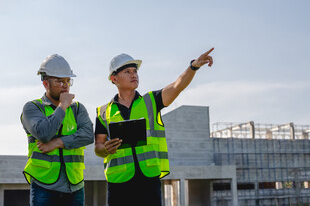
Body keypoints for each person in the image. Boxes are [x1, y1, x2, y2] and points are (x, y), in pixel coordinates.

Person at [94, 48, 214, 206]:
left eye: (135, 71)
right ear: (114, 79)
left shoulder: (151, 101)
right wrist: (105, 149)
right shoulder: (103, 112)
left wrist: (193, 67)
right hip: (119, 184)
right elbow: (98, 146)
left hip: (148, 181)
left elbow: (177, 86)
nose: (134, 75)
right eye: (127, 72)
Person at [21, 54, 94, 206]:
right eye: (60, 81)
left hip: (75, 186)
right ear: (46, 83)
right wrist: (63, 106)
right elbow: (44, 134)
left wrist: (58, 142)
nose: (65, 85)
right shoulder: (33, 108)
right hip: (44, 186)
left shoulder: (78, 109)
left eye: (68, 81)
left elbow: (88, 135)